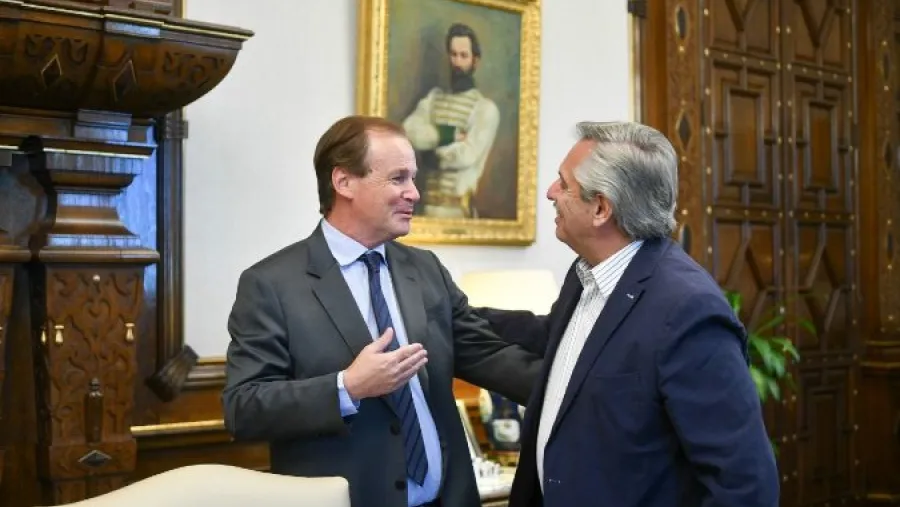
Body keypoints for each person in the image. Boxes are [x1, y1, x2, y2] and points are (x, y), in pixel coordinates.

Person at [221, 115, 541, 507]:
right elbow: (243, 409)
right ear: (344, 182)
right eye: (398, 178)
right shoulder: (271, 284)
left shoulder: (426, 270)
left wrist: (580, 389)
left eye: (413, 178)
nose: (414, 193)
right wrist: (347, 387)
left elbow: (489, 355)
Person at [476, 121, 780, 507]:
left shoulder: (688, 311)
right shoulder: (585, 274)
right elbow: (558, 339)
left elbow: (744, 483)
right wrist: (451, 311)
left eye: (564, 184)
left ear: (601, 208)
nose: (551, 192)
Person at [402, 22, 499, 219]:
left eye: (463, 55)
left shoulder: (485, 109)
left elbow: (468, 153)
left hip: (458, 213)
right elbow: (408, 131)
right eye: (453, 55)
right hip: (424, 210)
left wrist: (435, 157)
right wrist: (448, 135)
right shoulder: (433, 98)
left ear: (475, 60)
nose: (457, 62)